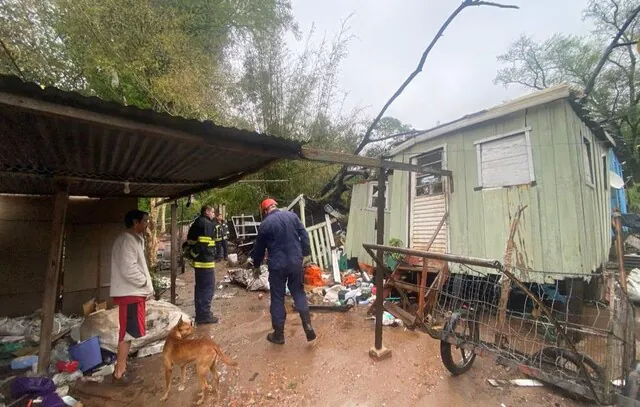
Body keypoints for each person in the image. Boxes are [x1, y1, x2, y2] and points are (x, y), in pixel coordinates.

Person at [250, 198, 316, 344]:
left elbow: (259, 249)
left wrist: (256, 266)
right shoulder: (292, 216)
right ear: (275, 206)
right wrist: (306, 254)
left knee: (278, 298)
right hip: (295, 263)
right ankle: (308, 326)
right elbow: (304, 235)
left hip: (277, 266)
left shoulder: (265, 224)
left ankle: (279, 335)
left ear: (265, 211)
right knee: (298, 293)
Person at [110, 209, 154, 385]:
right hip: (130, 293)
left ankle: (121, 367)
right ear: (135, 222)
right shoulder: (127, 241)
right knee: (127, 332)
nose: (147, 225)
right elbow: (129, 269)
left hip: (132, 293)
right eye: (145, 221)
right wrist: (144, 283)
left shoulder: (132, 240)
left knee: (128, 332)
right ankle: (120, 372)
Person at [185, 205, 219, 324]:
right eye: (213, 212)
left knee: (199, 288)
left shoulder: (196, 223)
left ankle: (200, 313)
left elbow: (188, 242)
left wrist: (192, 255)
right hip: (205, 262)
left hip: (199, 263)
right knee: (208, 288)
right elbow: (204, 243)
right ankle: (204, 316)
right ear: (207, 212)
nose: (214, 214)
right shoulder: (207, 224)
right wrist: (195, 253)